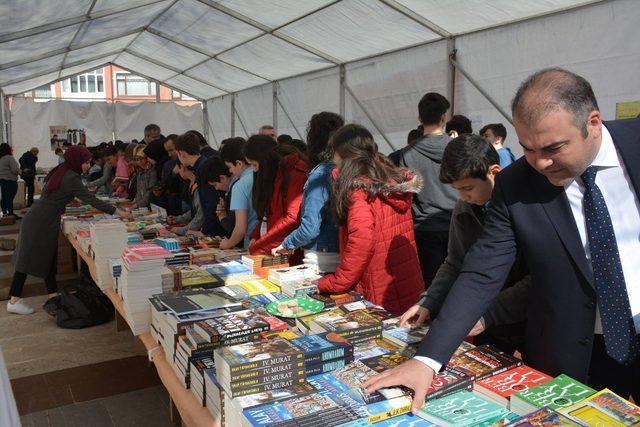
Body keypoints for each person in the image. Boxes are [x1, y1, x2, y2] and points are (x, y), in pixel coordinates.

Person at [364, 68, 640, 410]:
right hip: (575, 350)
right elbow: (480, 271)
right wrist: (427, 359)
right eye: (528, 148)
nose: (540, 162)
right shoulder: (516, 184)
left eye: (554, 147)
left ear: (593, 123)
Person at [399, 134, 530, 354]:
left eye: (468, 189)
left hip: (528, 317)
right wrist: (428, 301)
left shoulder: (524, 205)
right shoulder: (464, 209)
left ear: (493, 172)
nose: (463, 197)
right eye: (458, 190)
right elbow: (455, 262)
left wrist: (491, 313)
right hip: (485, 320)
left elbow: (539, 276)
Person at [7, 146, 131, 314]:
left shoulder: (62, 170)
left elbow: (54, 193)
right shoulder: (71, 177)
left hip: (42, 216)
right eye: (86, 162)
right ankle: (14, 299)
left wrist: (67, 200)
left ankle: (52, 295)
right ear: (77, 161)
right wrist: (118, 212)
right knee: (27, 257)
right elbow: (91, 199)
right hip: (41, 220)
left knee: (48, 256)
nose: (88, 165)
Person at [316, 124, 424, 315]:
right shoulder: (389, 178)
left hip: (378, 289)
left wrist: (334, 282)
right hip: (403, 281)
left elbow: (361, 242)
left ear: (343, 153)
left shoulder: (359, 189)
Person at [395, 93, 458, 289]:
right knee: (459, 282)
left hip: (424, 227)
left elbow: (404, 193)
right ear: (443, 117)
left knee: (432, 286)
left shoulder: (406, 154)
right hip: (458, 224)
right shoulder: (458, 149)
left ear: (420, 119)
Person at [271, 112, 342, 274]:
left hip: (321, 258)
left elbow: (310, 227)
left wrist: (287, 243)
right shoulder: (346, 170)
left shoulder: (321, 174)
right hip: (340, 251)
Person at [246, 135, 308, 258]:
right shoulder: (275, 173)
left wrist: (260, 245)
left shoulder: (293, 173)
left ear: (264, 160)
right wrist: (256, 235)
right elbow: (269, 213)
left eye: (254, 165)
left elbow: (292, 218)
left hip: (287, 251)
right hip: (274, 247)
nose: (254, 170)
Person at [174, 132, 224, 236]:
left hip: (215, 229)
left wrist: (204, 231)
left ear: (181, 153)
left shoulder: (203, 169)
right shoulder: (201, 165)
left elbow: (210, 204)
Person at [218, 138, 258, 249]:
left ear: (239, 163)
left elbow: (240, 228)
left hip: (250, 240)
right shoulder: (260, 175)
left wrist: (228, 244)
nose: (230, 171)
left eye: (229, 167)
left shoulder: (240, 186)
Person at [200, 156, 234, 238]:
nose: (216, 188)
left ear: (222, 177)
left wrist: (222, 216)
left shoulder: (236, 189)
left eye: (215, 185)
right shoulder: (229, 190)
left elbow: (233, 228)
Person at [166, 160, 203, 236]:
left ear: (182, 167)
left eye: (178, 169)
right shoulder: (192, 184)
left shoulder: (198, 186)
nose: (178, 173)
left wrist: (183, 229)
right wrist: (178, 219)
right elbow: (194, 210)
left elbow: (200, 215)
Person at [161, 134, 185, 215]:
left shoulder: (188, 163)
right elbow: (165, 183)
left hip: (185, 203)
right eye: (167, 151)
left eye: (171, 150)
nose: (169, 154)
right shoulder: (167, 164)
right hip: (172, 203)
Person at [0, 144, 20, 218]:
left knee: (4, 197)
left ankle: (5, 213)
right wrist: (21, 171)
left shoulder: (0, 158)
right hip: (10, 180)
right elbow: (15, 170)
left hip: (2, 180)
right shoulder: (9, 158)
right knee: (10, 197)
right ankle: (11, 213)